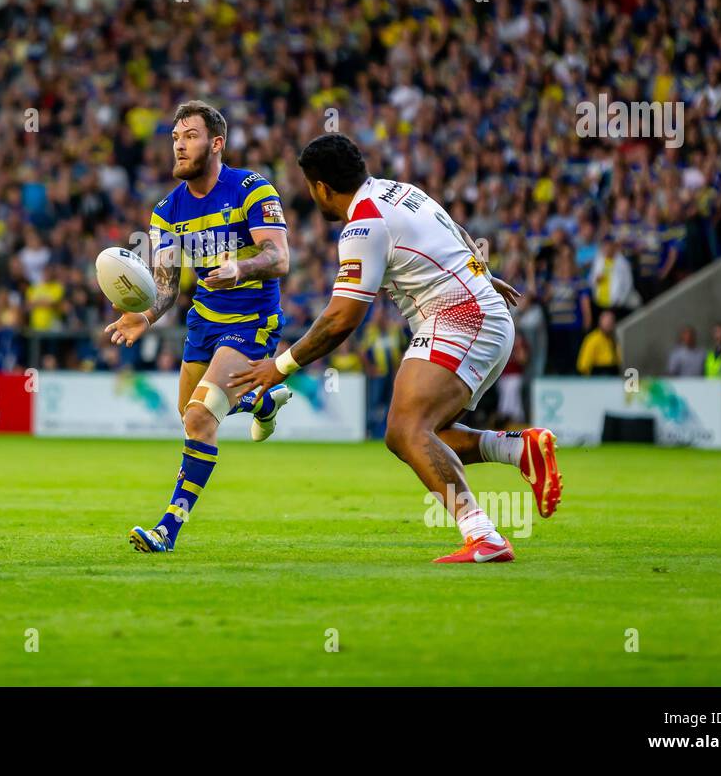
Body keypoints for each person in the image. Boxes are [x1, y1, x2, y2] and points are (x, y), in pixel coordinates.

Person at [230, 134, 562, 565]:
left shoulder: (363, 225)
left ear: (322, 188)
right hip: (478, 313)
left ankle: (484, 536)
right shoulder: (401, 190)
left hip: (460, 318)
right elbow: (457, 232)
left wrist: (281, 365)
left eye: (310, 187)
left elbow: (340, 319)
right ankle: (519, 449)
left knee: (407, 431)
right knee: (420, 434)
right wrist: (480, 273)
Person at [105, 101, 294, 554]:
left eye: (189, 135)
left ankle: (167, 529)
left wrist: (241, 270)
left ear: (215, 144)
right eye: (174, 137)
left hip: (251, 321)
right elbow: (167, 286)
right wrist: (146, 315)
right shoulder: (166, 212)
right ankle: (260, 399)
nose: (179, 144)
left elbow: (279, 258)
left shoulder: (252, 188)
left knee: (200, 416)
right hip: (203, 322)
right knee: (189, 416)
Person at [577, 309, 621, 376]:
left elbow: (622, 362)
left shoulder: (616, 339)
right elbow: (583, 366)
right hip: (598, 376)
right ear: (599, 322)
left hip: (614, 374)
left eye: (610, 321)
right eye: (606, 321)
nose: (608, 324)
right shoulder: (592, 339)